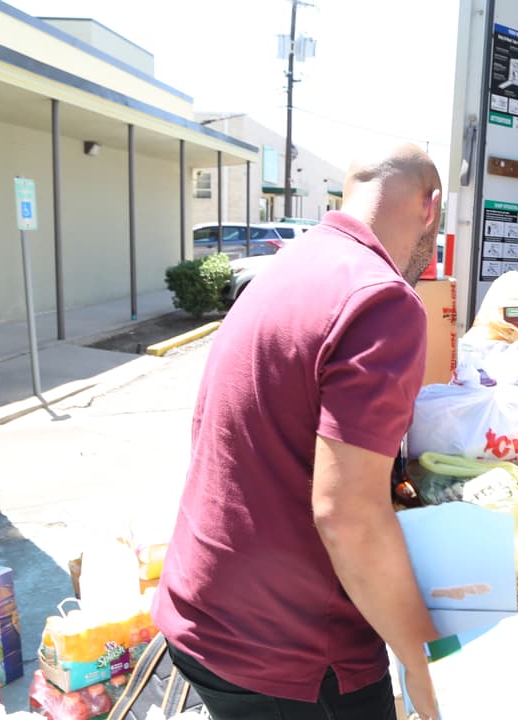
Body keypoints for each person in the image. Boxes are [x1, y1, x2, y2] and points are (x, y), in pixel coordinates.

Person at [152, 144, 444, 720]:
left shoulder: (287, 264)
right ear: (430, 207)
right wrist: (425, 663)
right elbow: (348, 517)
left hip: (202, 607)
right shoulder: (382, 297)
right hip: (289, 652)